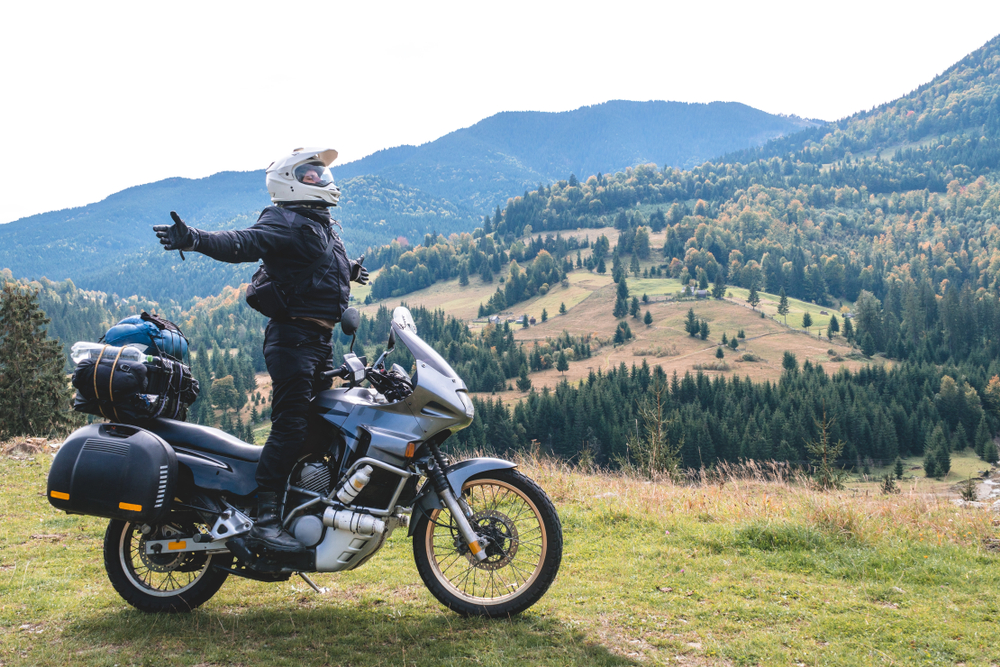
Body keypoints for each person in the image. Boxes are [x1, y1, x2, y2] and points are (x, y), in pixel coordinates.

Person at [153, 147, 368, 557]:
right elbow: (243, 242)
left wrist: (350, 271)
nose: (321, 178)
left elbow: (311, 265)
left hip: (318, 342)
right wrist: (195, 239)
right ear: (288, 180)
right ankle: (265, 516)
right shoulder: (284, 219)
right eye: (310, 173)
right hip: (292, 342)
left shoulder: (319, 224)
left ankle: (302, 501)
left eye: (321, 172)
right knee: (290, 426)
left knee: (319, 425)